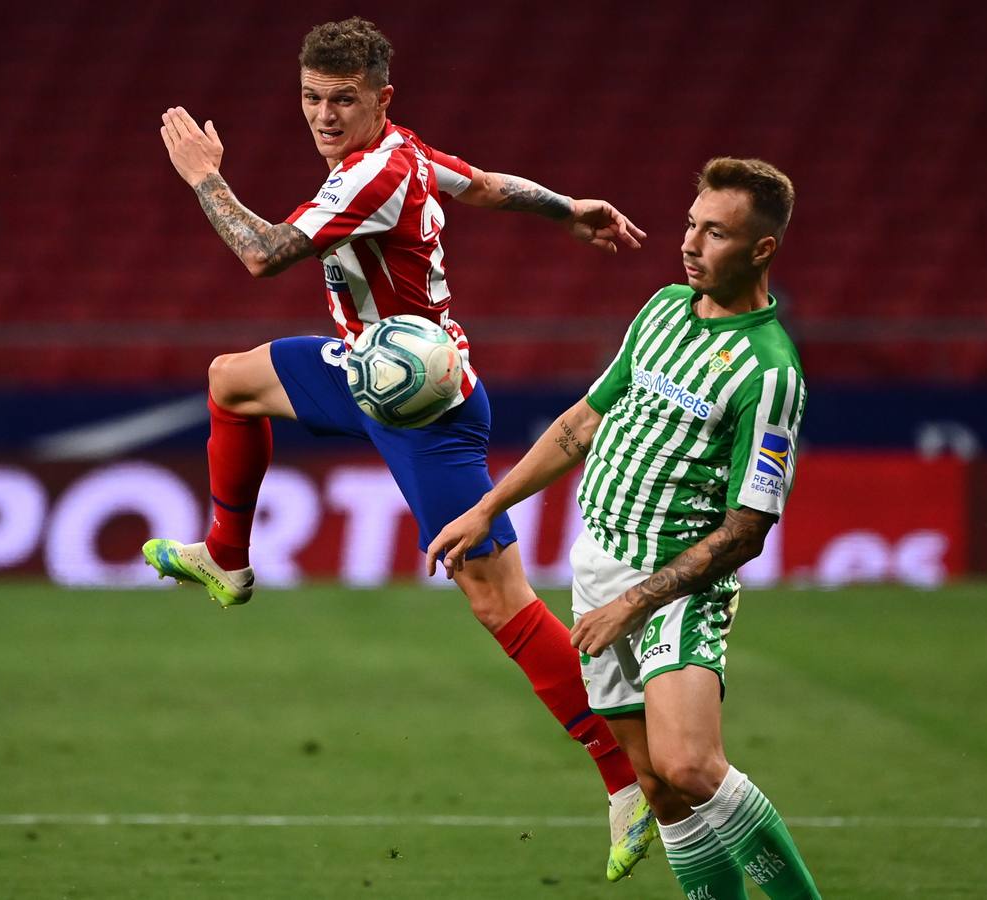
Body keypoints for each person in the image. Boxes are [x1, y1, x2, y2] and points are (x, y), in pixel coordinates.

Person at [145, 17, 658, 881]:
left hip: (425, 408)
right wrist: (569, 207)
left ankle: (625, 778)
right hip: (364, 369)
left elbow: (263, 254)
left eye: (343, 99)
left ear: (382, 99)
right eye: (311, 97)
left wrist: (207, 180)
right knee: (231, 379)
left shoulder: (372, 173)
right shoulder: (408, 152)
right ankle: (226, 559)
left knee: (499, 601)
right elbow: (486, 185)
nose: (324, 114)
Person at [427, 158, 822, 898]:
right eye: (691, 224)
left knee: (691, 767)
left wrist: (636, 602)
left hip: (675, 585)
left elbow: (748, 528)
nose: (692, 244)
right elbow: (582, 423)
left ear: (762, 250)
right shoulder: (665, 309)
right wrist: (487, 506)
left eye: (716, 233)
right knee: (658, 789)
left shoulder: (771, 373)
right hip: (598, 566)